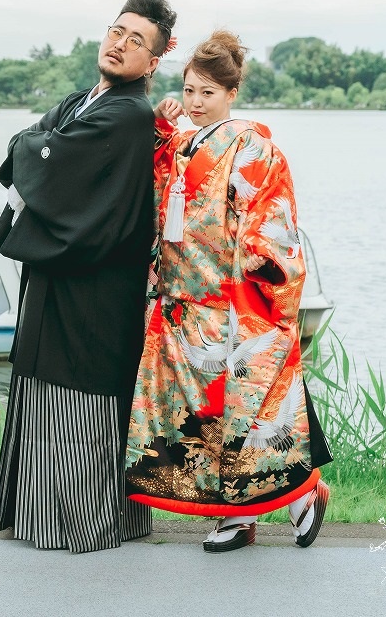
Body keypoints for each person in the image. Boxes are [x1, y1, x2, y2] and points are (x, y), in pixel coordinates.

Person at [125, 30, 332, 553]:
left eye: (207, 93)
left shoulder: (253, 147)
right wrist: (160, 126)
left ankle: (303, 494)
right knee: (202, 417)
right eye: (189, 90)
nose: (196, 102)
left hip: (235, 303)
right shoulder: (179, 141)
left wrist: (261, 268)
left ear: (231, 93)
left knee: (250, 415)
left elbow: (271, 219)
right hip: (182, 302)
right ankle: (234, 518)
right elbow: (152, 190)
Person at [0, 0, 177, 553]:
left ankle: (84, 522)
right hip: (64, 272)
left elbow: (47, 155)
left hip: (98, 283)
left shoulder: (127, 115)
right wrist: (41, 142)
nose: (121, 44)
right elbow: (30, 145)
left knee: (81, 394)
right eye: (118, 31)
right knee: (49, 386)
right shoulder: (85, 100)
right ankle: (42, 515)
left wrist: (40, 142)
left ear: (153, 61)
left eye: (136, 40)